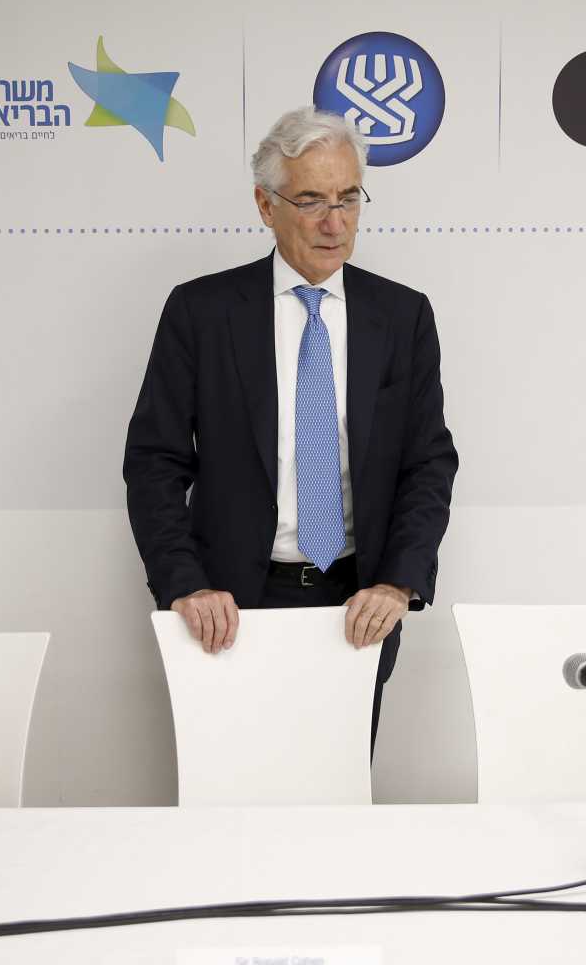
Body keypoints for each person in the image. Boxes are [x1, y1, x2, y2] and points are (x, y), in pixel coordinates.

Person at [122, 106, 458, 749]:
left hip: (358, 606)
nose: (336, 224)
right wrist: (185, 584)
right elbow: (155, 461)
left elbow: (427, 462)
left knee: (340, 799)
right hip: (230, 610)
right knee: (234, 795)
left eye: (349, 198)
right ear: (264, 203)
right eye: (311, 200)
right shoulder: (201, 311)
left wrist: (398, 580)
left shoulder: (403, 315)